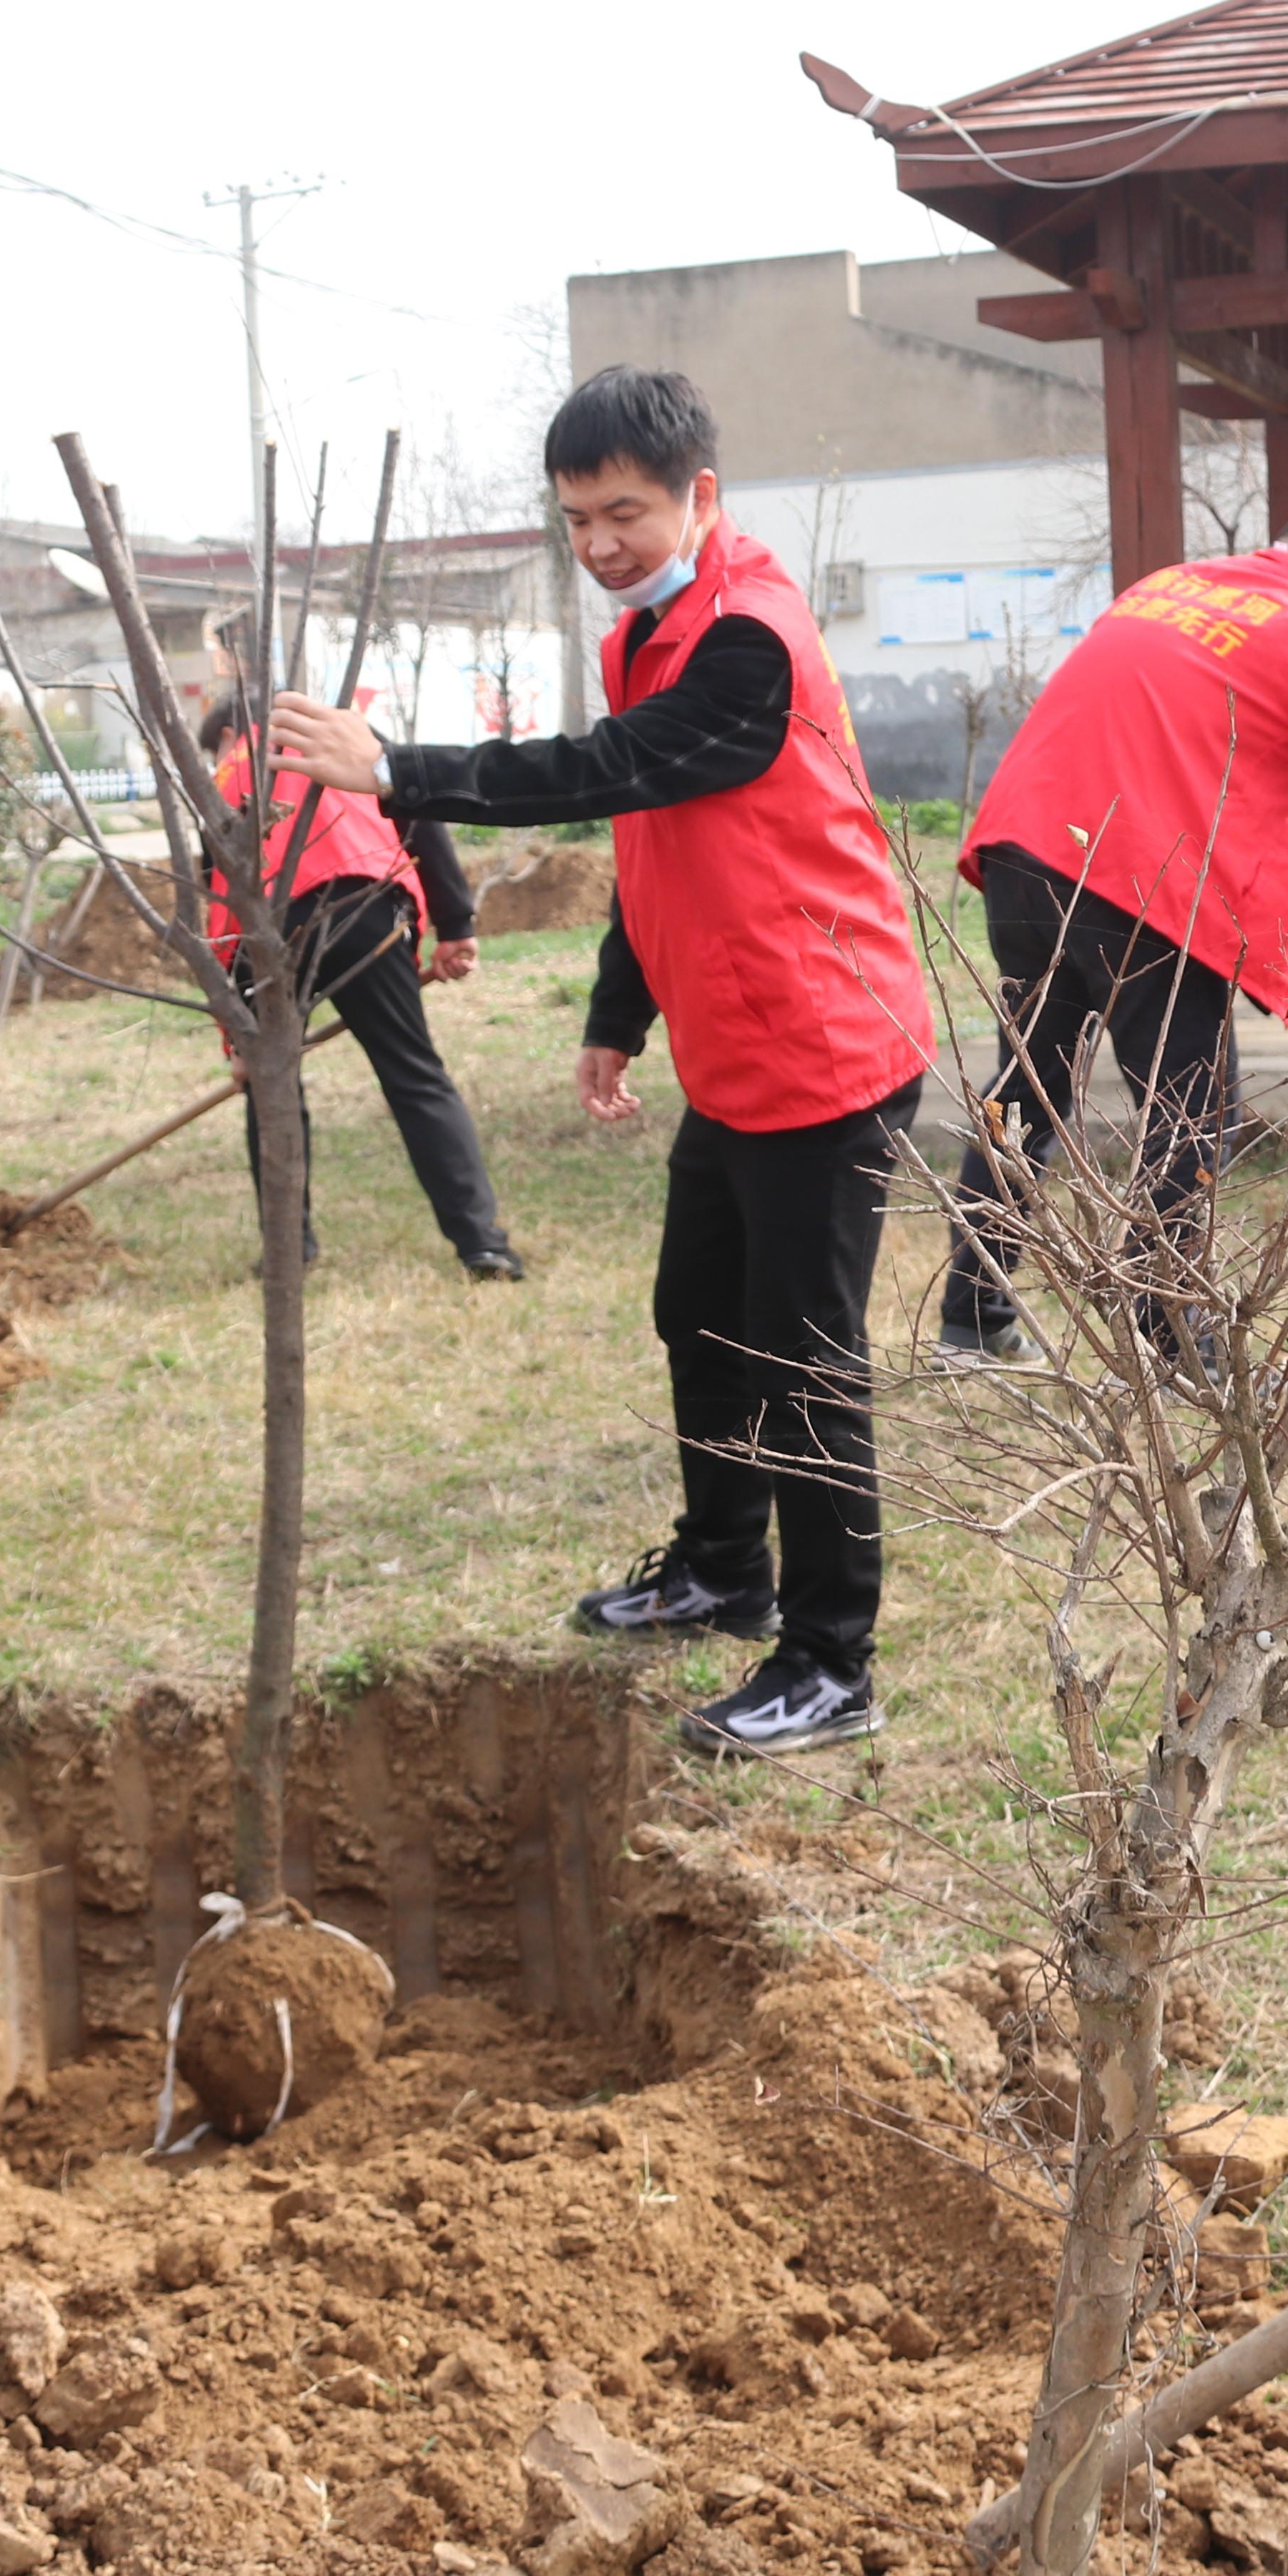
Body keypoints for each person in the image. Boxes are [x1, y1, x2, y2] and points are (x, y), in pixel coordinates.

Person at [271, 367, 932, 1756]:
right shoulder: (655, 625)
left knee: (804, 1360)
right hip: (737, 1046)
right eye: (576, 519)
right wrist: (616, 1013)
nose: (600, 544)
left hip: (826, 1043)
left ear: (700, 494)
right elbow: (659, 837)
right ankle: (721, 1567)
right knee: (697, 1311)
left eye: (624, 512)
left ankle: (831, 1658)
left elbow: (604, 771)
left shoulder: (746, 636)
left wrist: (393, 771)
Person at [942, 485, 1288, 1359]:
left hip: (1024, 857)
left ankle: (971, 1317)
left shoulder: (1171, 587)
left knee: (1026, 1090)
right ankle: (1166, 1327)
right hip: (1135, 881)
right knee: (1192, 1112)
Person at [200, 679, 519, 1279]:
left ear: (225, 735)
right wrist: (455, 925)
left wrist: (238, 1041)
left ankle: (287, 1252)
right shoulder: (347, 736)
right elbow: (419, 816)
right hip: (365, 906)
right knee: (413, 1074)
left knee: (272, 1086)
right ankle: (483, 1244)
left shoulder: (225, 778)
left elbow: (219, 905)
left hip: (263, 930)